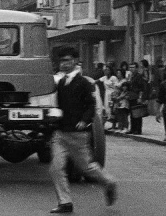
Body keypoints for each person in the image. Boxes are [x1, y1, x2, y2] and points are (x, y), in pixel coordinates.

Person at [48, 47, 116, 213]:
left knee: (87, 168)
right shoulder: (61, 83)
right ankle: (65, 202)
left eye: (67, 61)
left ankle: (109, 182)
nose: (64, 64)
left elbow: (91, 105)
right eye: (62, 61)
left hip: (78, 135)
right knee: (55, 168)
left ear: (75, 62)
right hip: (60, 133)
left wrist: (84, 121)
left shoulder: (84, 83)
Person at [127, 62, 148, 135]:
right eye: (130, 67)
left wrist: (140, 97)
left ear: (136, 68)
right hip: (131, 97)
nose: (131, 69)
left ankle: (138, 130)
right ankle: (133, 129)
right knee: (132, 114)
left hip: (136, 96)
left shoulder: (139, 76)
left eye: (133, 67)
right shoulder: (130, 76)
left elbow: (142, 88)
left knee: (138, 114)